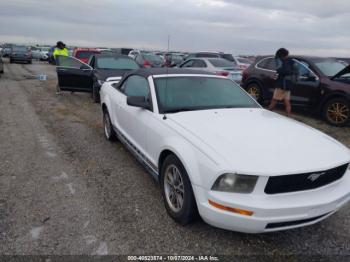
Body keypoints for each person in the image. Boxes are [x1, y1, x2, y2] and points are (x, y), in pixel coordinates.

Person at [268, 48, 297, 116]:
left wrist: (277, 73)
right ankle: (288, 115)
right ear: (286, 54)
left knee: (274, 100)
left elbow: (279, 71)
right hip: (289, 84)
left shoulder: (280, 61)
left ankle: (267, 113)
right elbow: (295, 70)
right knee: (287, 101)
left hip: (281, 84)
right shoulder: (291, 61)